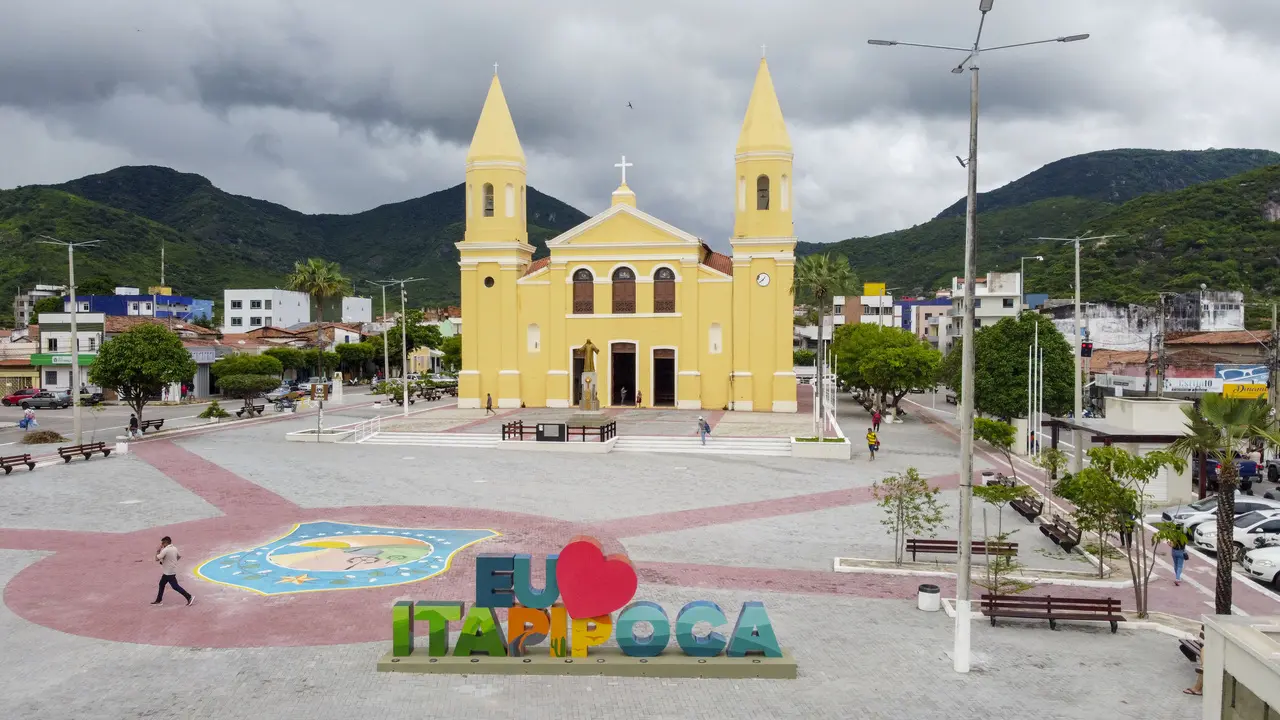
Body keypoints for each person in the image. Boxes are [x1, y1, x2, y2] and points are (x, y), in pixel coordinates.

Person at [152, 536, 194, 606]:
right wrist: (172, 562)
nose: (161, 545)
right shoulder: (174, 548)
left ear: (165, 542)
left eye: (162, 543)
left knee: (175, 586)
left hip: (168, 573)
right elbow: (178, 556)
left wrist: (158, 550)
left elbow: (156, 559)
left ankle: (189, 596)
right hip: (169, 571)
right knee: (161, 584)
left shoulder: (165, 550)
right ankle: (158, 600)